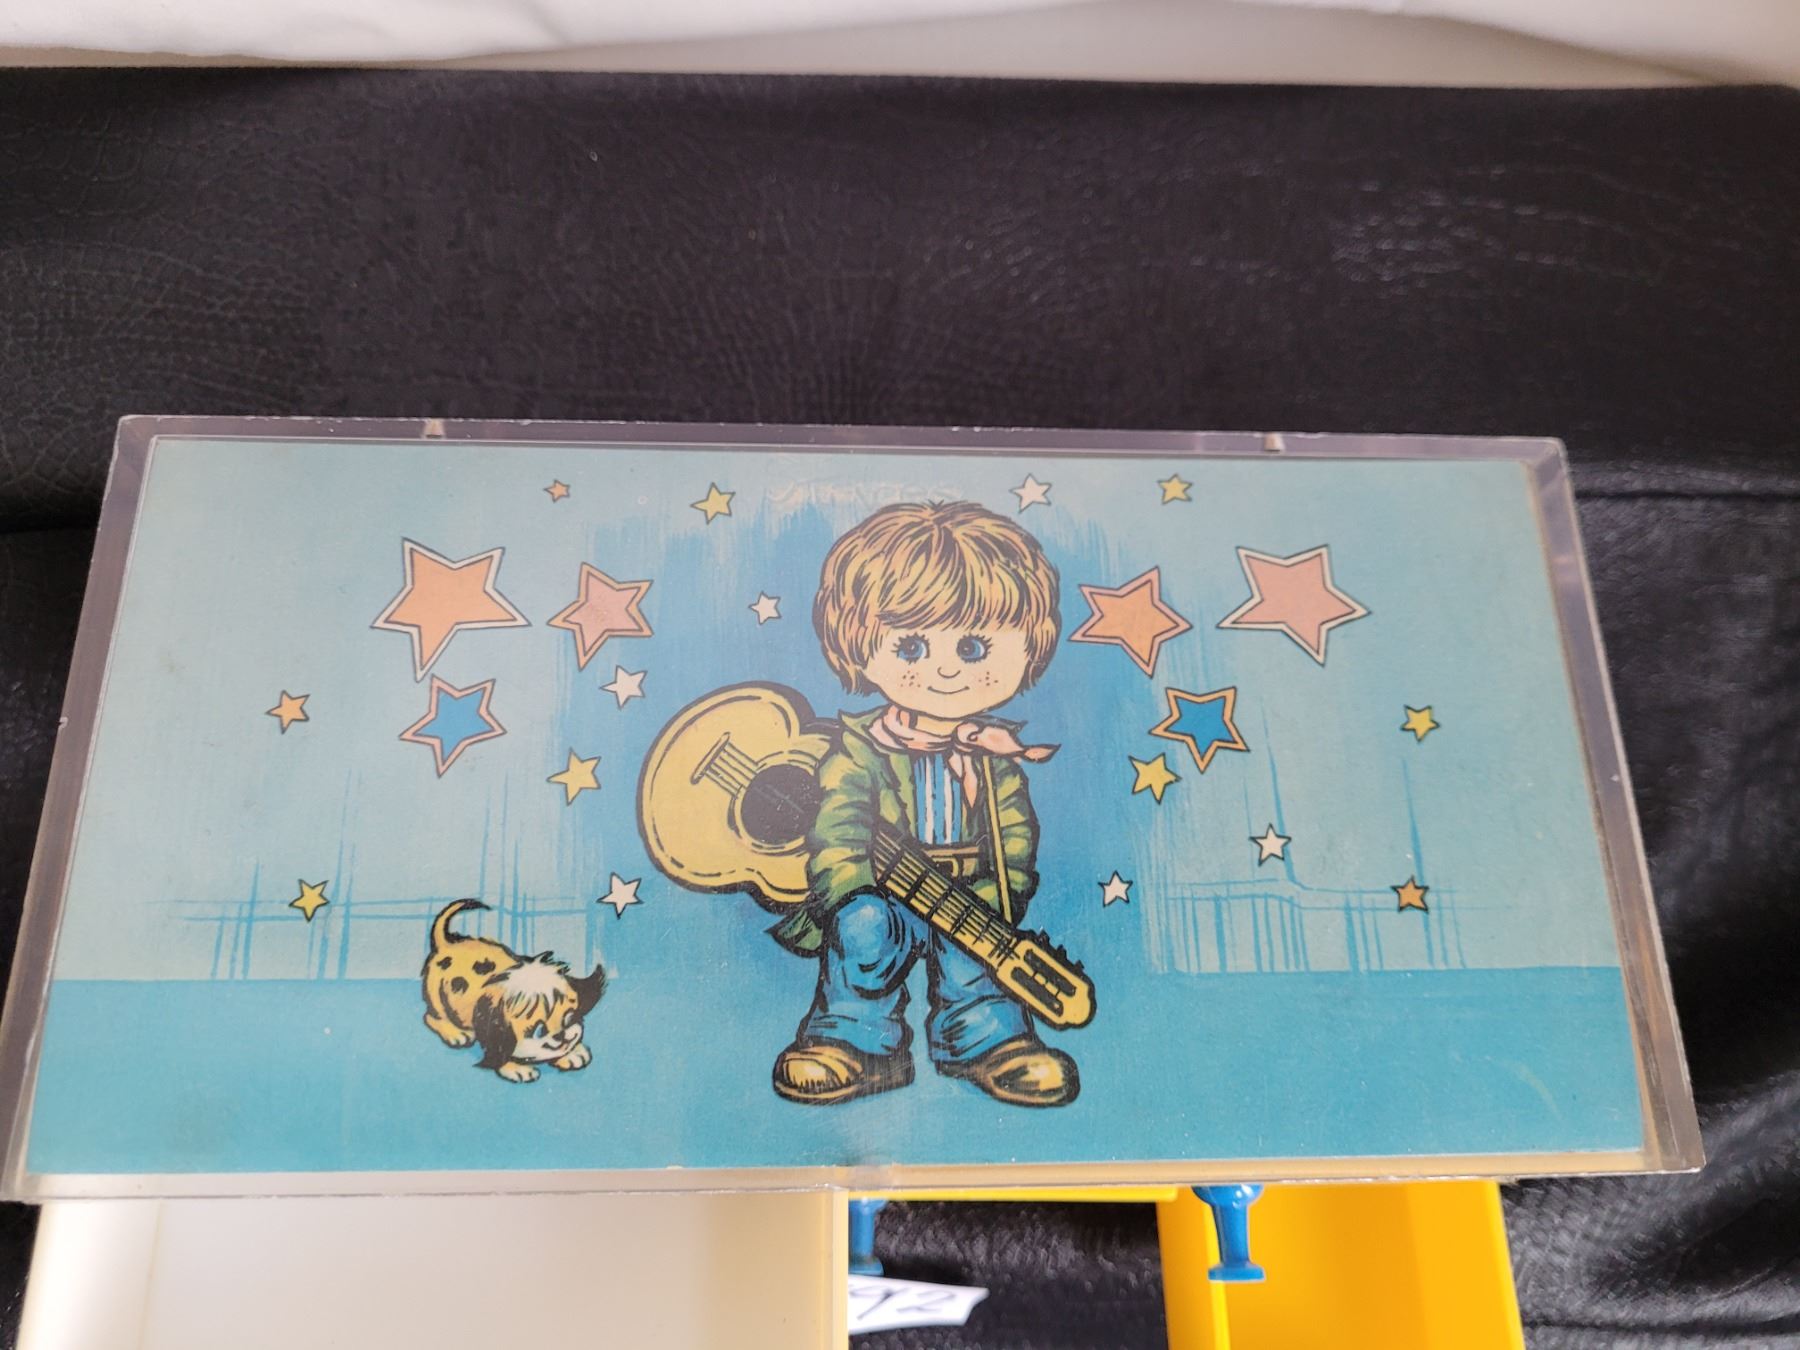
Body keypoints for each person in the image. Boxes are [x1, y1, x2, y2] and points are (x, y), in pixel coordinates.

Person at [768, 500, 1079, 1107]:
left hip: (966, 889)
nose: (944, 671)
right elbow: (838, 823)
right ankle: (852, 1042)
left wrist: (1005, 890)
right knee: (862, 939)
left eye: (973, 648)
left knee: (975, 956)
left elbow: (1013, 832)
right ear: (859, 645)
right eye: (910, 647)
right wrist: (847, 890)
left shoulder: (992, 758)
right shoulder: (860, 748)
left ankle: (989, 1042)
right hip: (879, 889)